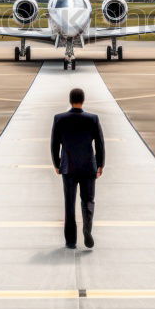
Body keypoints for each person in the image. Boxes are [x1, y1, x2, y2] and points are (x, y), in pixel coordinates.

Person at [50, 87, 105, 249]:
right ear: (83, 100)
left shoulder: (59, 119)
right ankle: (87, 230)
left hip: (68, 168)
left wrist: (57, 164)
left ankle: (71, 241)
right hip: (88, 167)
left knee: (69, 203)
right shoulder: (93, 119)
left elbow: (54, 144)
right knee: (88, 201)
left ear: (70, 100)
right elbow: (100, 144)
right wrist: (100, 164)